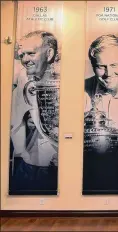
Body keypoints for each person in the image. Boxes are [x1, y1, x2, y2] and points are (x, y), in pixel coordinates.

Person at [10, 30, 60, 192]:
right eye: (22, 55)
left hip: (62, 164)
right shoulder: (24, 77)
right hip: (31, 164)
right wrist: (22, 153)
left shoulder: (67, 79)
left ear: (49, 53)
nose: (25, 60)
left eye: (31, 53)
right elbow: (15, 120)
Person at [84, 34, 118, 139]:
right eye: (101, 66)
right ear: (92, 66)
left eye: (114, 65)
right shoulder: (81, 91)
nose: (108, 73)